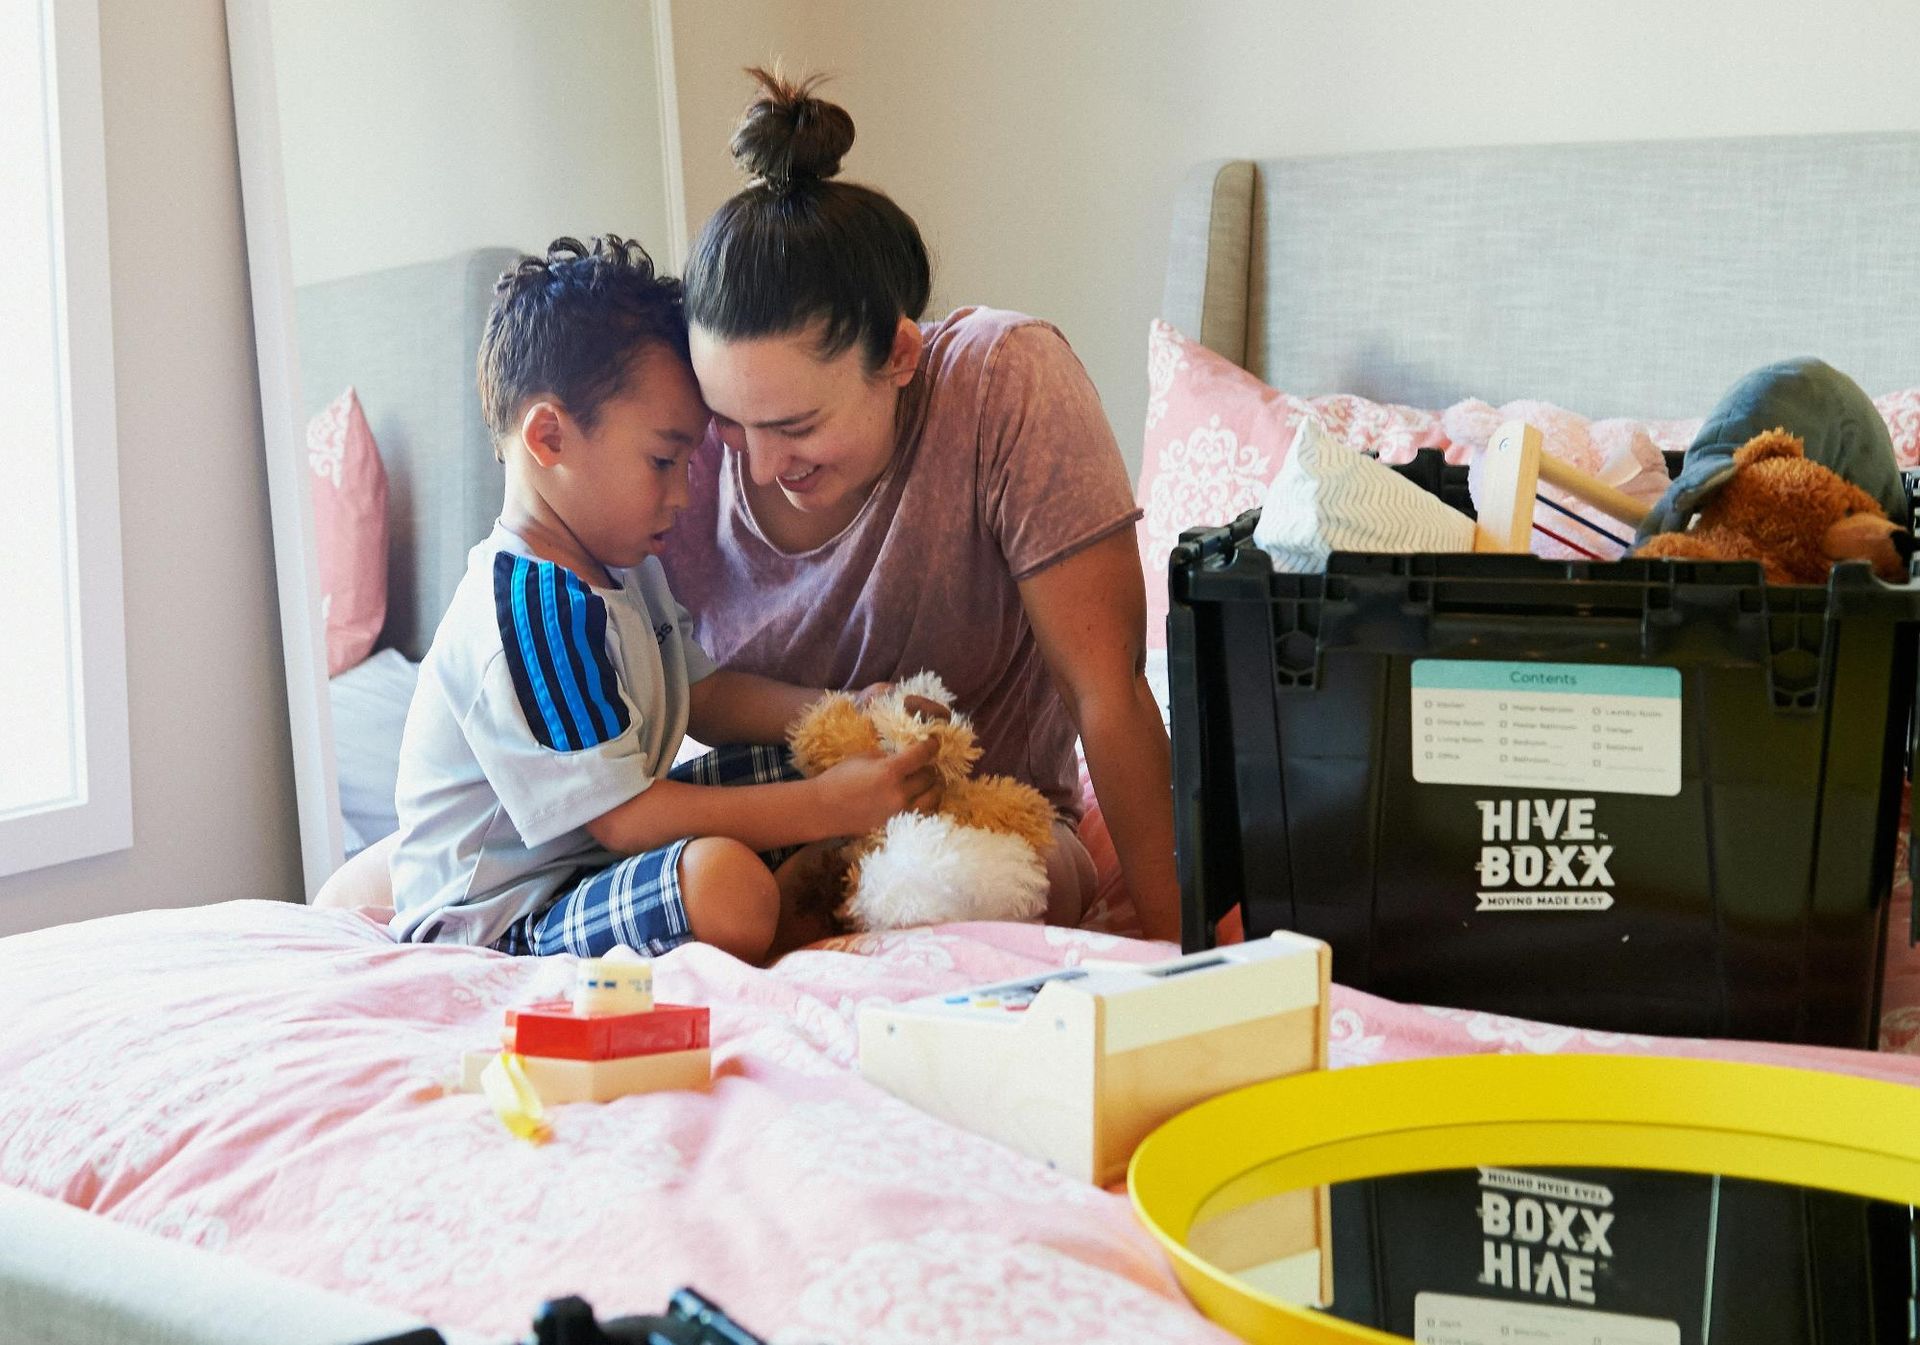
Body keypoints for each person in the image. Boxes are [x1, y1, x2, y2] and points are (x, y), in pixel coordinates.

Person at [660, 69, 1181, 941]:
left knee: (963, 888)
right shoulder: (677, 443)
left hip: (984, 826)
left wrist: (1185, 954)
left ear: (900, 355)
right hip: (759, 828)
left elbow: (1109, 690)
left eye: (795, 425)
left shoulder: (1004, 383)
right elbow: (665, 689)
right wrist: (848, 721)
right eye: (728, 421)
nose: (755, 464)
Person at [384, 236, 940, 963]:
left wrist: (850, 709)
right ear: (550, 436)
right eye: (662, 460)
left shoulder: (622, 564)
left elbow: (706, 695)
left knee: (796, 763)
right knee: (724, 882)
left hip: (592, 868)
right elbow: (623, 818)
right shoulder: (533, 610)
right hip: (503, 921)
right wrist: (830, 806)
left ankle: (808, 893)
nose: (682, 493)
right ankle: (790, 911)